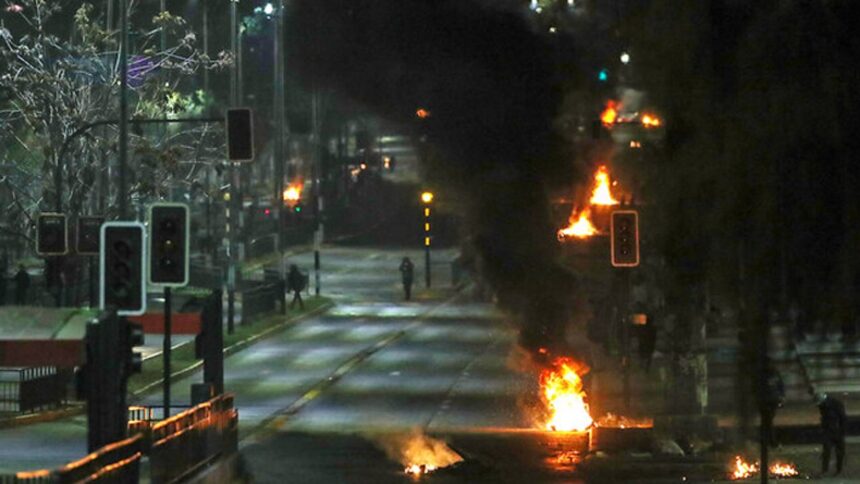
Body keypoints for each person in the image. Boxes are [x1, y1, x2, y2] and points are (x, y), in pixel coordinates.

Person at [816, 392, 847, 476]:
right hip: (829, 430)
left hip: (837, 430)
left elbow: (843, 418)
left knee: (839, 452)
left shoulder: (835, 405)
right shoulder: (823, 405)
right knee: (827, 451)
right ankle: (825, 469)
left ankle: (838, 470)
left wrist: (842, 431)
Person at [762, 364, 786, 448]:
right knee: (768, 421)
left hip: (771, 400)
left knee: (768, 421)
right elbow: (781, 386)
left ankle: (770, 441)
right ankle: (771, 441)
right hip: (769, 400)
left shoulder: (772, 375)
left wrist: (781, 397)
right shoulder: (773, 375)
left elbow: (781, 386)